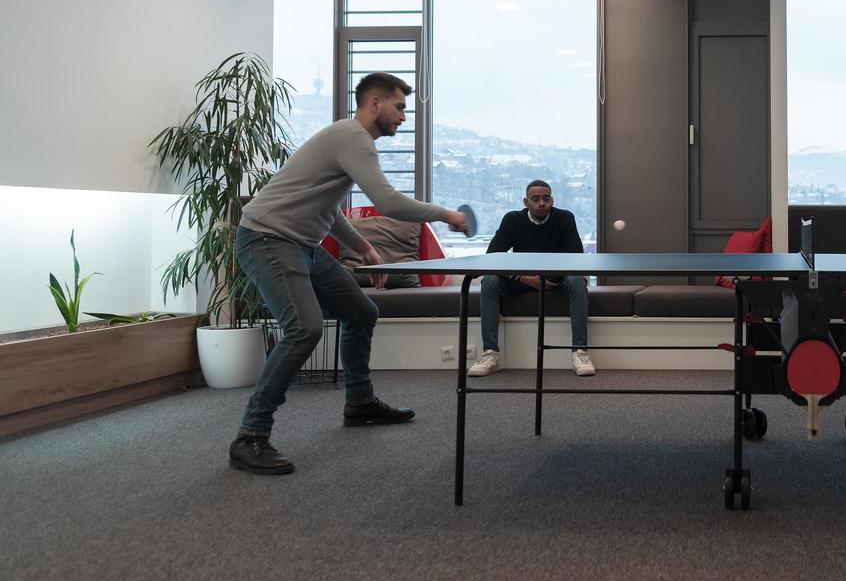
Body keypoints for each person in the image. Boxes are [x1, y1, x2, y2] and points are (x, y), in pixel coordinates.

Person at [230, 72, 470, 476]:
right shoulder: (352, 137)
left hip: (301, 244)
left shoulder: (350, 143)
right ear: (374, 104)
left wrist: (363, 247)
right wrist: (446, 215)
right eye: (399, 108)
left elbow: (331, 210)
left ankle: (359, 403)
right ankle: (250, 436)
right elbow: (388, 202)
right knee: (303, 329)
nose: (403, 118)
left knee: (362, 312)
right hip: (267, 239)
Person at [468, 180, 594, 377]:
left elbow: (575, 257)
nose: (542, 203)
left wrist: (546, 279)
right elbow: (492, 257)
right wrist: (525, 277)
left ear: (552, 200)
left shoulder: (565, 218)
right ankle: (490, 353)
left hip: (556, 279)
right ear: (526, 202)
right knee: (490, 280)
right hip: (522, 279)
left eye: (546, 198)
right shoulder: (512, 220)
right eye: (536, 199)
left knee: (577, 281)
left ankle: (580, 351)